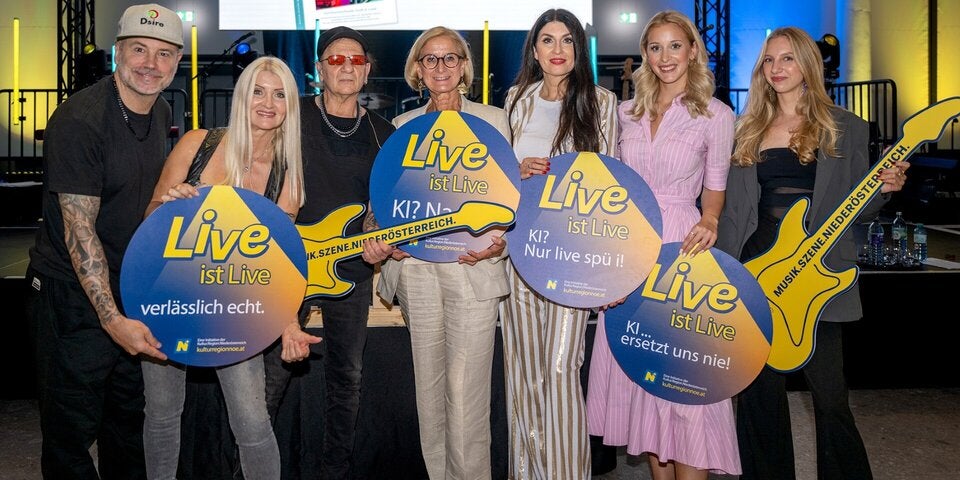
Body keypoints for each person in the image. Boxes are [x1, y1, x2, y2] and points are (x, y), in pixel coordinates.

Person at [715, 26, 908, 480]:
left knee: (831, 397)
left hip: (817, 277)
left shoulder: (847, 128)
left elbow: (860, 210)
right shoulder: (745, 129)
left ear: (808, 66)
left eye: (788, 59)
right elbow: (733, 212)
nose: (777, 69)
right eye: (769, 60)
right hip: (756, 272)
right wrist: (721, 268)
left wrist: (885, 191)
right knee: (759, 395)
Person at [24, 4, 182, 478]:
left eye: (163, 54)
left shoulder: (161, 111)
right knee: (70, 434)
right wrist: (111, 319)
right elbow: (79, 232)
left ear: (176, 63)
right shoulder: (81, 121)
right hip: (70, 295)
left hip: (128, 288)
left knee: (126, 427)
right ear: (117, 53)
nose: (151, 64)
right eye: (139, 50)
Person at [141, 55, 312, 480]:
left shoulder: (287, 177)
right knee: (162, 413)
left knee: (253, 422)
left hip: (233, 305)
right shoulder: (197, 144)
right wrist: (170, 204)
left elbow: (278, 261)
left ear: (290, 105)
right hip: (169, 295)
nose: (267, 103)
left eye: (279, 94)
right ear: (242, 97)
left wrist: (289, 322)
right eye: (257, 90)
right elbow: (147, 221)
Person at [586, 10, 738, 480]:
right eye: (655, 47)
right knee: (644, 376)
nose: (665, 56)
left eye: (676, 46)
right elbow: (607, 185)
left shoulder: (716, 115)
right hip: (629, 242)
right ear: (644, 55)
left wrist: (710, 219)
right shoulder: (624, 112)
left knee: (684, 382)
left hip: (682, 247)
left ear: (693, 50)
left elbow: (715, 192)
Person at [369, 26, 511, 480]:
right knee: (429, 394)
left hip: (472, 268)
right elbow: (383, 206)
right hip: (416, 273)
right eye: (431, 59)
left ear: (465, 66)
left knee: (465, 393)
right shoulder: (401, 127)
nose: (441, 67)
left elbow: (508, 199)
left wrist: (498, 241)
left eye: (450, 58)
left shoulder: (493, 121)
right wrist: (385, 237)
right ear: (417, 70)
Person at [261, 26, 396, 479]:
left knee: (347, 380)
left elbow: (381, 206)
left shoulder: (383, 132)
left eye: (355, 60)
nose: (346, 67)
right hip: (285, 267)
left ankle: (333, 471)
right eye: (336, 59)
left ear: (367, 71)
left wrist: (380, 241)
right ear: (319, 69)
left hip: (350, 270)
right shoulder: (290, 116)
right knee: (269, 378)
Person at [498, 8, 617, 480]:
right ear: (534, 49)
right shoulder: (514, 100)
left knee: (562, 369)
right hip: (520, 250)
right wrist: (516, 171)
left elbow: (608, 183)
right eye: (547, 40)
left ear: (578, 49)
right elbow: (499, 177)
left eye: (566, 40)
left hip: (571, 256)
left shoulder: (601, 101)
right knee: (523, 373)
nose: (557, 50)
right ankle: (528, 473)